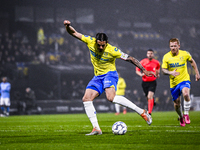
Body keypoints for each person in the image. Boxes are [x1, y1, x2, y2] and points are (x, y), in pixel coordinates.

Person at [64, 20, 155, 135]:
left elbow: (130, 58)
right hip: (97, 76)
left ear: (107, 42)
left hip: (110, 74)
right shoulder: (90, 41)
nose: (101, 47)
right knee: (86, 99)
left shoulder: (113, 50)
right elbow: (74, 33)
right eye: (99, 44)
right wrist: (68, 26)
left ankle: (142, 112)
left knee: (111, 98)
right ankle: (96, 128)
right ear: (95, 41)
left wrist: (144, 69)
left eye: (103, 45)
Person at [162, 38, 200, 127]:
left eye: (175, 46)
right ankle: (181, 116)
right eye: (171, 46)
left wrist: (197, 73)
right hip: (174, 83)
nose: (173, 48)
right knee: (176, 103)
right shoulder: (166, 57)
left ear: (179, 46)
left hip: (184, 79)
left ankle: (186, 114)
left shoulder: (185, 54)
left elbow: (192, 62)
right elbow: (163, 70)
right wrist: (170, 72)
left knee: (186, 94)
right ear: (169, 46)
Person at [136, 49, 160, 115]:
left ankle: (149, 113)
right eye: (148, 53)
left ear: (153, 54)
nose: (150, 55)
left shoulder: (156, 62)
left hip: (152, 82)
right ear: (147, 54)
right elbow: (137, 70)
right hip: (144, 82)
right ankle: (152, 101)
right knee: (148, 97)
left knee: (150, 96)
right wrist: (141, 74)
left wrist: (158, 74)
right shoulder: (143, 62)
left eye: (151, 53)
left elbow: (158, 68)